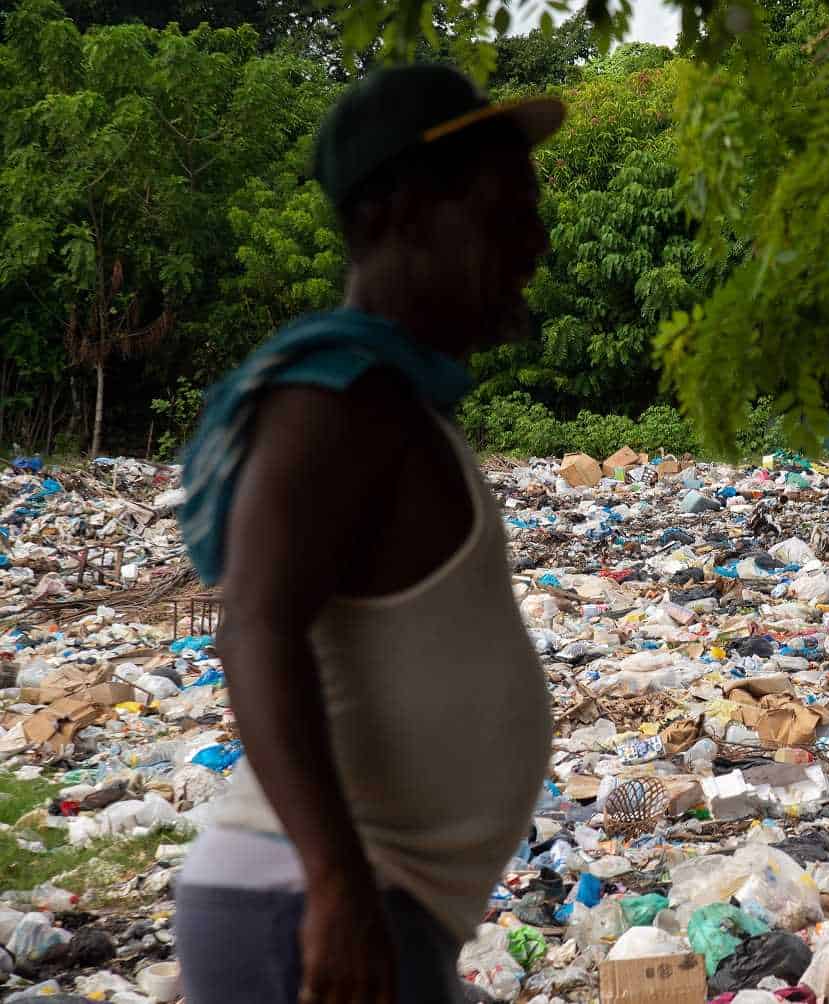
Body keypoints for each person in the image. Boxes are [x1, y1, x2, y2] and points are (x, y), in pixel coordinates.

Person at [172, 64, 562, 1004]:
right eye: (504, 207)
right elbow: (257, 626)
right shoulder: (333, 402)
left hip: (364, 911)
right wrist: (338, 887)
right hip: (311, 913)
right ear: (399, 211)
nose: (535, 242)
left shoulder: (391, 402)